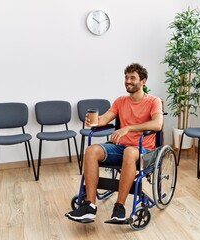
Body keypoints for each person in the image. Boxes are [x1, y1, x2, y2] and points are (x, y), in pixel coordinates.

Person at [65, 63, 163, 222]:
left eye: (132, 78)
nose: (128, 81)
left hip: (143, 150)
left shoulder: (154, 101)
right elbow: (104, 119)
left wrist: (129, 128)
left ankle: (119, 206)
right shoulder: (120, 101)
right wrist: (93, 121)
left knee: (130, 152)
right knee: (91, 150)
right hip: (120, 148)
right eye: (126, 77)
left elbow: (157, 124)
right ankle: (90, 206)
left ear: (143, 81)